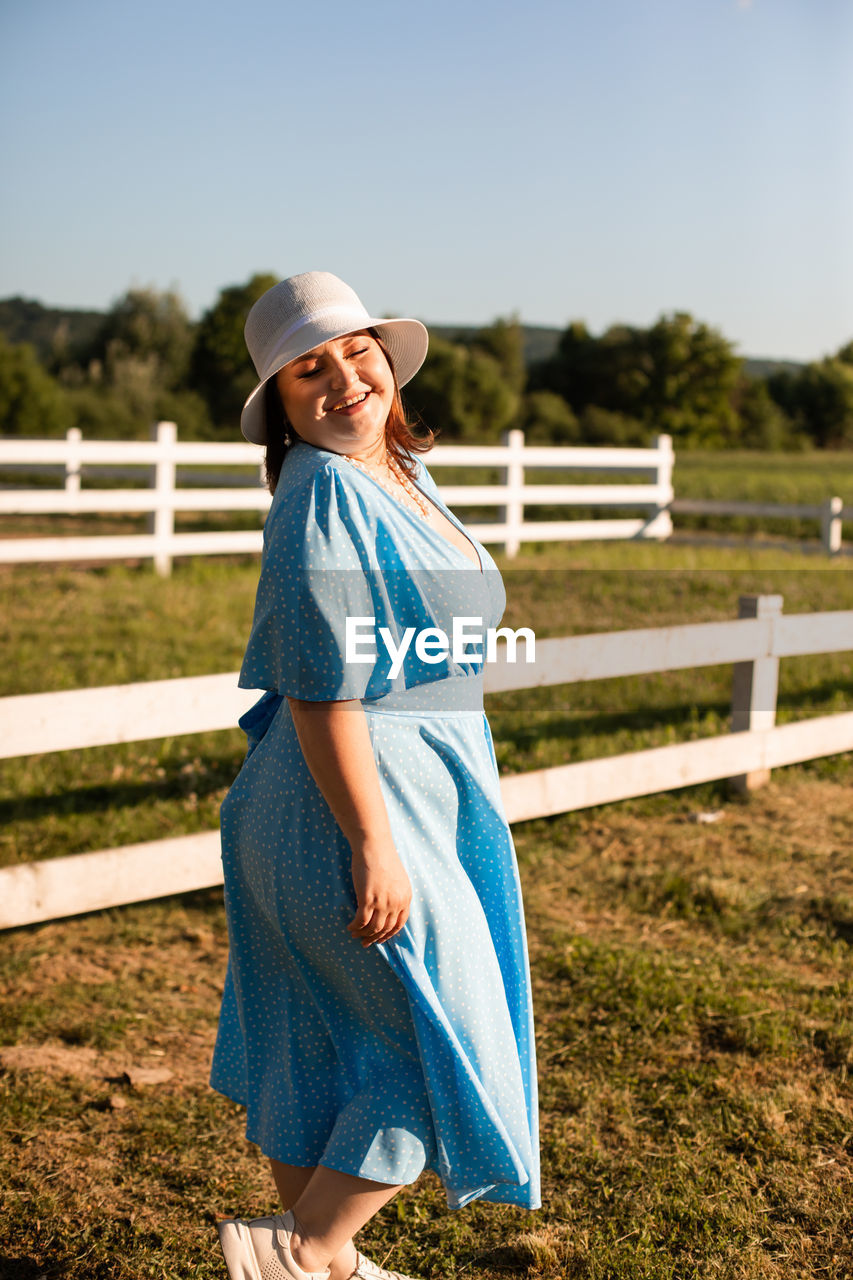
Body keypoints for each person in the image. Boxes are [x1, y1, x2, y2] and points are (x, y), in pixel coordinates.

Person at [210, 271, 540, 1280]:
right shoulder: (323, 494)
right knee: (437, 1038)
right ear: (283, 406)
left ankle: (320, 1260)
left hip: (372, 790)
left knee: (312, 1037)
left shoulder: (396, 469)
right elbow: (321, 691)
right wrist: (372, 841)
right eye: (308, 369)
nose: (342, 378)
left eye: (355, 351)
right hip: (347, 799)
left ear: (386, 360)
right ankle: (306, 1249)